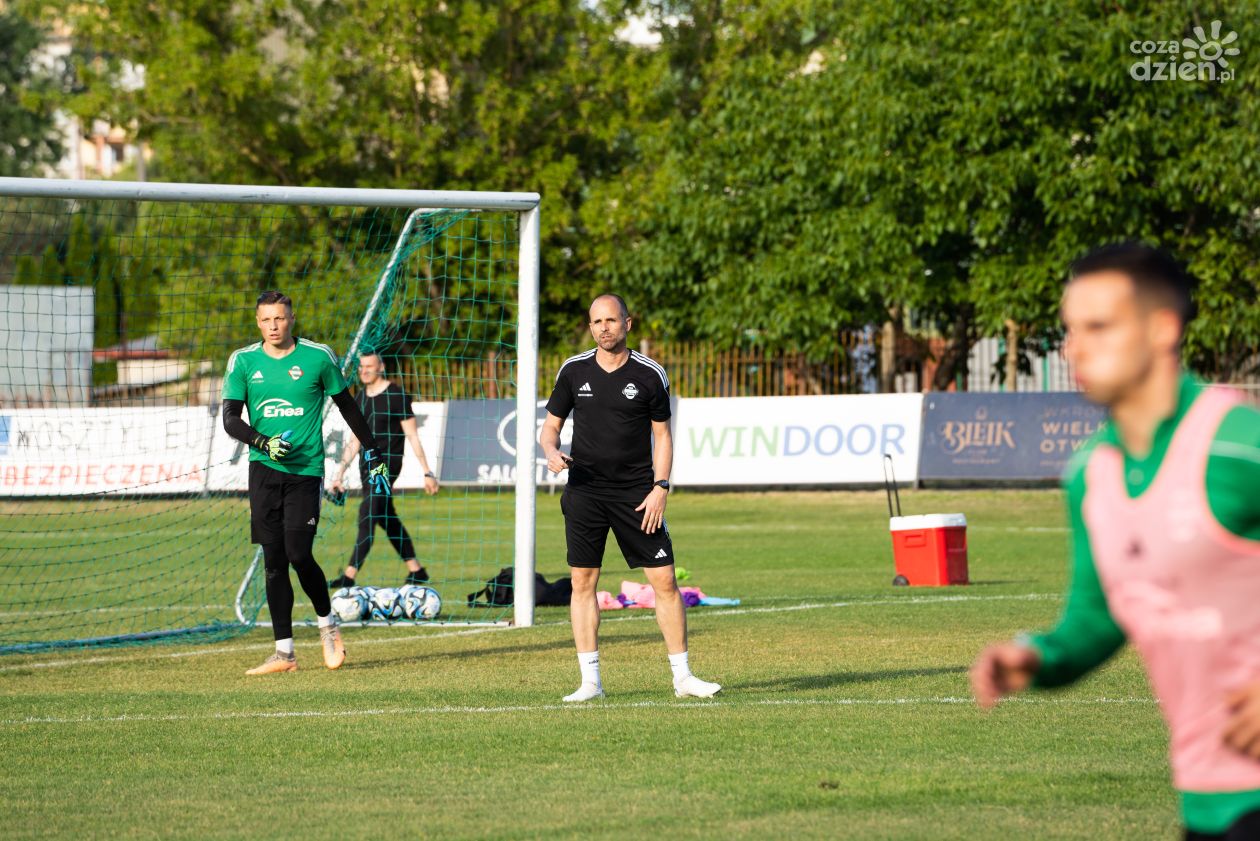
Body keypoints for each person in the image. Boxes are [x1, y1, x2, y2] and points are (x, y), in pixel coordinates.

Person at [969, 243, 1260, 841]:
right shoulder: (1090, 474)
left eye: (1099, 327)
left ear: (1162, 329)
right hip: (1207, 803)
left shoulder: (1238, 443)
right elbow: (1097, 618)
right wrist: (1039, 656)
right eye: (1069, 330)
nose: (1075, 348)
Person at [540, 293, 721, 702]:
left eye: (611, 320)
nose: (604, 327)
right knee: (582, 582)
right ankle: (591, 682)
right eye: (596, 321)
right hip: (585, 491)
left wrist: (660, 488)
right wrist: (551, 453)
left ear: (628, 323)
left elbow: (663, 436)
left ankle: (683, 678)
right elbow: (549, 429)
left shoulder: (650, 374)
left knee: (665, 580)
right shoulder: (573, 371)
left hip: (637, 495)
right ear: (590, 327)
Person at [221, 291, 391, 676]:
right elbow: (231, 419)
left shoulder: (318, 356)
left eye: (279, 319)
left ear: (292, 318)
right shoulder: (243, 361)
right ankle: (284, 654)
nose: (273, 326)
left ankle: (328, 625)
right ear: (257, 321)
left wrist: (373, 451)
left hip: (305, 472)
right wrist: (262, 442)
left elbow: (348, 406)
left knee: (299, 553)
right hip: (263, 470)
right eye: (266, 320)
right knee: (274, 562)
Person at [327, 351, 440, 589]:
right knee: (387, 518)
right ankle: (416, 570)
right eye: (361, 367)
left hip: (387, 467)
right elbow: (355, 440)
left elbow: (412, 435)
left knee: (367, 514)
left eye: (369, 366)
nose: (364, 371)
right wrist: (339, 473)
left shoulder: (396, 395)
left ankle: (348, 576)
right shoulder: (359, 399)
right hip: (366, 468)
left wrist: (427, 472)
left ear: (381, 367)